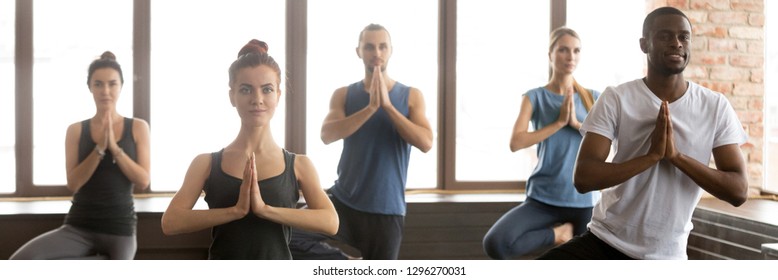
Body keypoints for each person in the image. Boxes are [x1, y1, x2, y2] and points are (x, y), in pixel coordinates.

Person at [538, 6, 749, 260]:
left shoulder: (714, 106)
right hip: (605, 241)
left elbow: (738, 191)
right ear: (644, 44)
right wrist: (650, 157)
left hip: (667, 256)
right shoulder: (616, 98)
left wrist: (676, 157)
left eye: (684, 37)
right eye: (664, 36)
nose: (676, 43)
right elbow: (583, 177)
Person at [160, 39, 338, 260]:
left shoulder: (299, 165)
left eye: (267, 89)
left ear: (278, 95)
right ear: (232, 96)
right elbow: (170, 222)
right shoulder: (205, 163)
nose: (257, 99)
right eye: (246, 89)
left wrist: (265, 210)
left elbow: (331, 222)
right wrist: (235, 211)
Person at [299, 23, 433, 260]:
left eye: (382, 47)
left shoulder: (411, 96)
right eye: (369, 47)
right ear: (359, 51)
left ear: (391, 50)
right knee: (290, 234)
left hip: (387, 210)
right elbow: (327, 135)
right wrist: (371, 108)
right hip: (343, 202)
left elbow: (425, 142)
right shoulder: (344, 94)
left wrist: (388, 107)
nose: (377, 53)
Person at [10, 51, 151, 260]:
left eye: (112, 84)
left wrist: (114, 147)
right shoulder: (75, 130)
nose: (105, 91)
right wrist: (100, 147)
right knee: (20, 261)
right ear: (89, 87)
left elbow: (142, 180)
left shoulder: (138, 127)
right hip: (78, 227)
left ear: (121, 86)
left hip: (120, 229)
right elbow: (74, 183)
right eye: (98, 84)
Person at [481, 27, 600, 260]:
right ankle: (558, 235)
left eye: (576, 50)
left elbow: (610, 148)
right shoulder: (534, 97)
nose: (571, 56)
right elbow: (516, 142)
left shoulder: (593, 97)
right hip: (542, 198)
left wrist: (576, 123)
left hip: (583, 200)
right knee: (495, 243)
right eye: (563, 50)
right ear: (550, 55)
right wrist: (557, 124)